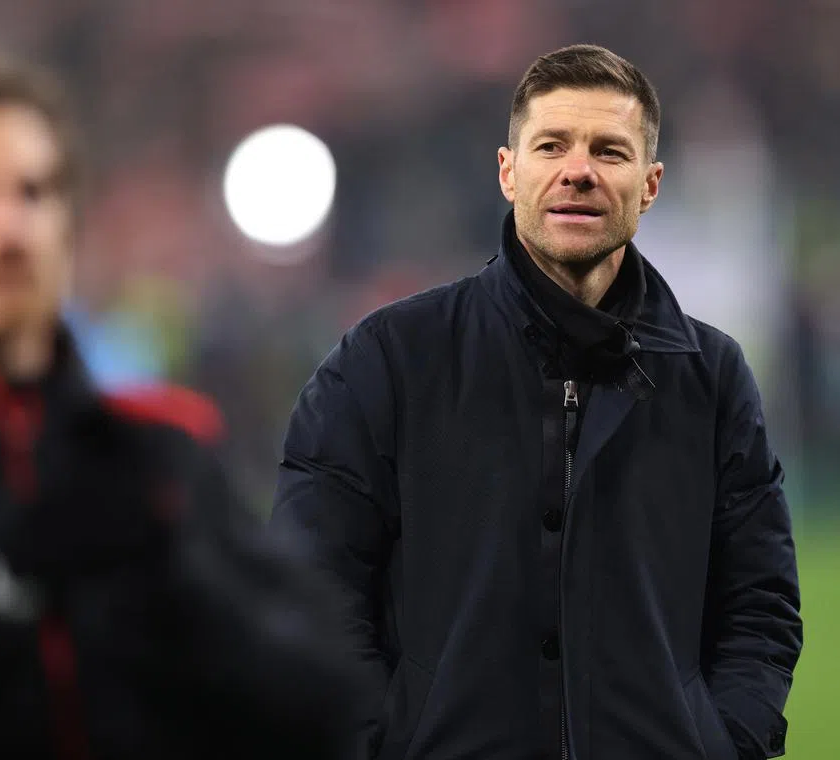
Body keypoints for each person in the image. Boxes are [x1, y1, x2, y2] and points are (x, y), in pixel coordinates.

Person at [271, 44, 803, 760]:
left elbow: (760, 606)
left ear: (649, 186)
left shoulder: (712, 380)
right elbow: (313, 593)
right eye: (552, 145)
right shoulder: (386, 362)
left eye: (609, 152)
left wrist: (724, 741)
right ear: (508, 172)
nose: (578, 170)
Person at [0, 48, 359, 758]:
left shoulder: (160, 457)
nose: (9, 229)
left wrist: (172, 584)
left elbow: (333, 712)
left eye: (36, 193)